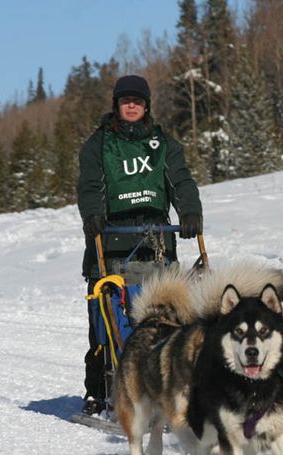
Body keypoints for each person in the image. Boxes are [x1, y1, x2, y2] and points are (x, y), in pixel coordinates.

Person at [77, 74, 203, 415]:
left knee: (165, 322)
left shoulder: (163, 144)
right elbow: (90, 186)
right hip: (111, 244)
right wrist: (92, 215)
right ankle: (100, 391)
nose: (131, 105)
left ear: (146, 105)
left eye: (137, 100)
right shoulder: (99, 144)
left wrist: (190, 211)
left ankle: (169, 388)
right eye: (125, 100)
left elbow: (181, 181)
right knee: (107, 321)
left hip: (156, 241)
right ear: (117, 106)